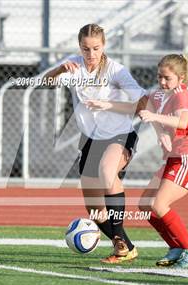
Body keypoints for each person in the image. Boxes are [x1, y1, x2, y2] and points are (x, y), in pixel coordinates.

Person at [44, 24, 146, 264]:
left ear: (104, 46)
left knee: (107, 173)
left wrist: (110, 105)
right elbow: (46, 83)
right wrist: (59, 70)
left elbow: (143, 104)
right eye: (85, 48)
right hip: (91, 139)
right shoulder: (73, 64)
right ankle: (126, 246)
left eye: (96, 48)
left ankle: (119, 239)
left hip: (119, 134)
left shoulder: (116, 71)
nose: (90, 54)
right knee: (94, 210)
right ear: (79, 47)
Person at [137, 54, 188, 268]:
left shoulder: (181, 95)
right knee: (144, 205)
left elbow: (182, 121)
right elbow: (146, 110)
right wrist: (160, 133)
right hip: (174, 158)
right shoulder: (161, 94)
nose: (162, 82)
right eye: (159, 77)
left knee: (158, 204)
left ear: (181, 78)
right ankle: (175, 246)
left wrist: (156, 120)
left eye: (167, 78)